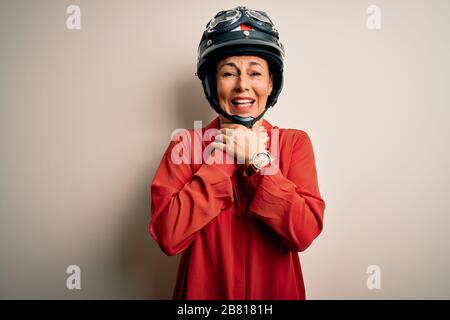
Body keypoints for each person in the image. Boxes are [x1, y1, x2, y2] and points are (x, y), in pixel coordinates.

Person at [149, 6, 326, 300]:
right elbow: (168, 235)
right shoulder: (184, 147)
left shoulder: (295, 144)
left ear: (271, 83)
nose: (242, 85)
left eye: (255, 72)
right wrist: (223, 159)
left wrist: (259, 162)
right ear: (211, 83)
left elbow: (303, 232)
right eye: (229, 73)